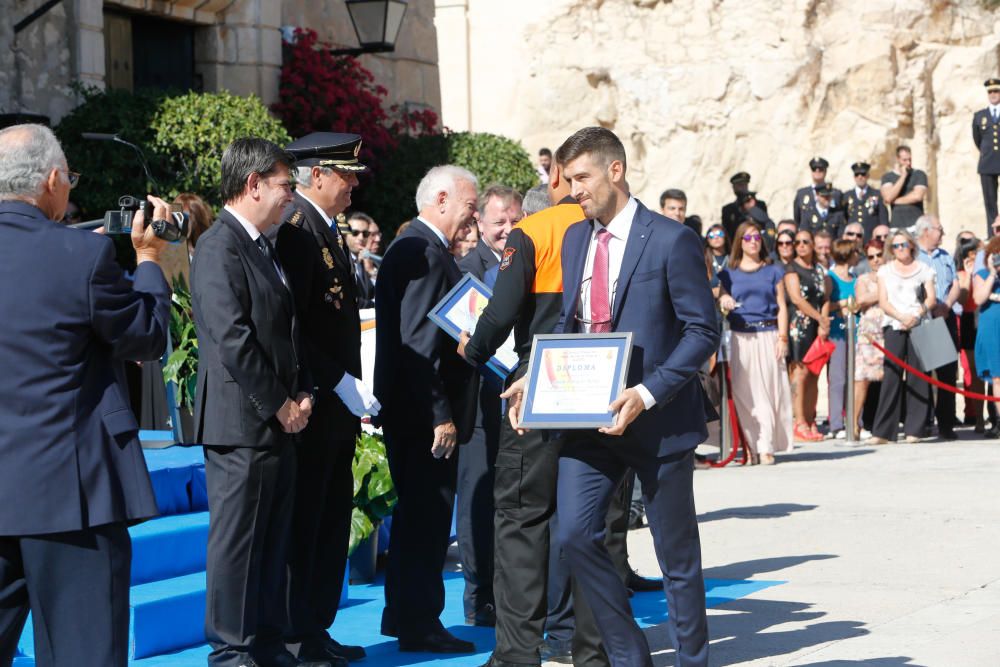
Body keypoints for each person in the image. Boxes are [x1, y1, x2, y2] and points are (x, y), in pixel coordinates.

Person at [504, 126, 718, 667]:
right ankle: (629, 655)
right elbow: (571, 325)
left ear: (615, 171)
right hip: (587, 416)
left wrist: (647, 394)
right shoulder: (577, 237)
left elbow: (702, 331)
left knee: (677, 556)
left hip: (657, 418)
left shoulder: (672, 239)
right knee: (575, 535)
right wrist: (539, 377)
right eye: (567, 180)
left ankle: (693, 660)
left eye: (582, 178)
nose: (573, 190)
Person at [0, 124, 171, 667]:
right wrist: (148, 259)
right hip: (71, 494)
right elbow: (145, 335)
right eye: (69, 177)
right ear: (53, 180)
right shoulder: (81, 255)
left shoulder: (77, 253)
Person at [458, 156, 613, 667]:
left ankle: (517, 652)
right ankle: (591, 649)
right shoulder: (616, 226)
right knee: (591, 523)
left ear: (555, 180)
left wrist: (473, 350)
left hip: (541, 385)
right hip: (602, 384)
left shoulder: (534, 230)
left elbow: (499, 313)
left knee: (521, 518)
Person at [190, 138, 322, 667]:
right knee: (239, 544)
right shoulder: (220, 246)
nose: (291, 196)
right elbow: (234, 339)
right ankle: (231, 649)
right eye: (286, 186)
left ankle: (265, 642)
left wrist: (305, 388)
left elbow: (288, 328)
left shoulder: (264, 245)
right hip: (242, 423)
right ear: (253, 185)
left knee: (271, 541)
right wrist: (281, 405)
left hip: (276, 419)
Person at [275, 132, 378, 665]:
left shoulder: (326, 230)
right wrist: (338, 380)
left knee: (333, 515)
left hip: (337, 406)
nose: (354, 184)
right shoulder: (297, 230)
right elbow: (295, 325)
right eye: (346, 174)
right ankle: (296, 633)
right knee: (308, 519)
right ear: (316, 174)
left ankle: (315, 627)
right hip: (316, 400)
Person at [373, 165, 478, 653]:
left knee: (419, 516)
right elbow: (417, 344)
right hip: (422, 416)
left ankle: (405, 615)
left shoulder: (417, 247)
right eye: (468, 206)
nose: (470, 218)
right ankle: (420, 623)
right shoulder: (423, 251)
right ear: (440, 199)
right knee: (427, 518)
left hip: (412, 409)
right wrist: (440, 413)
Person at [455, 184, 523, 629]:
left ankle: (510, 591)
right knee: (477, 501)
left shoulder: (524, 261)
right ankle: (478, 596)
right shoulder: (465, 269)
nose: (507, 230)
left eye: (515, 221)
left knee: (513, 500)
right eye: (499, 222)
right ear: (480, 222)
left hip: (516, 397)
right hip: (477, 403)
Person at [718, 221, 794, 464]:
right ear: (740, 242)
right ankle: (750, 445)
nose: (753, 242)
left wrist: (783, 337)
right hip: (740, 337)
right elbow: (721, 298)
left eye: (757, 237)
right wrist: (726, 299)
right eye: (748, 238)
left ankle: (766, 445)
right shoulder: (728, 273)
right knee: (744, 393)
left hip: (768, 334)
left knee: (768, 391)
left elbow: (782, 306)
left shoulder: (772, 270)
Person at [869, 230, 936, 444]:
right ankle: (884, 431)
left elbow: (931, 298)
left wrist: (916, 315)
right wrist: (900, 316)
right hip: (894, 323)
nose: (900, 249)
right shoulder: (885, 271)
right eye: (896, 246)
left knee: (918, 375)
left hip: (919, 323)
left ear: (912, 246)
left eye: (903, 245)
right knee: (891, 375)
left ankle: (915, 428)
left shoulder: (924, 269)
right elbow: (883, 301)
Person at [914, 215, 960, 440]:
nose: (942, 234)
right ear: (926, 231)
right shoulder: (914, 255)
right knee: (923, 373)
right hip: (924, 318)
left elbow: (955, 284)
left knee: (947, 373)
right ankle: (923, 422)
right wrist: (928, 309)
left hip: (945, 316)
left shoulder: (945, 256)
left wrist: (948, 305)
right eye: (939, 229)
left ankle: (946, 423)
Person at [785, 229, 831, 441]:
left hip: (816, 326)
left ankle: (811, 419)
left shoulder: (820, 271)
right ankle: (799, 420)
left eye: (805, 241)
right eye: (797, 242)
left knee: (814, 374)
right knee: (800, 373)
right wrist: (819, 318)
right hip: (799, 325)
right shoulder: (791, 269)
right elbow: (796, 299)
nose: (801, 245)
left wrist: (824, 320)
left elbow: (826, 297)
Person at [955, 236, 994, 434]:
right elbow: (963, 300)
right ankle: (979, 418)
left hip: (988, 318)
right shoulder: (963, 274)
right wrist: (969, 276)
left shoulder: (990, 268)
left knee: (994, 372)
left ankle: (993, 416)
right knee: (977, 372)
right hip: (972, 320)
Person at [853, 239, 886, 439]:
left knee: (889, 379)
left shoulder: (893, 276)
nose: (875, 260)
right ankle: (854, 422)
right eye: (871, 257)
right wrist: (883, 292)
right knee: (862, 378)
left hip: (889, 330)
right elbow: (861, 300)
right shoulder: (864, 278)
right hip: (870, 332)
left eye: (879, 255)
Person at [827, 240, 859, 439]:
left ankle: (856, 421)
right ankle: (836, 423)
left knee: (855, 377)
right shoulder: (830, 278)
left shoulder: (855, 278)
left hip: (855, 329)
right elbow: (826, 304)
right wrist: (843, 304)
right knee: (838, 377)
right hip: (837, 329)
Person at [973, 235, 1000, 437]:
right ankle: (998, 420)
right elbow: (979, 298)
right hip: (992, 327)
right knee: (998, 378)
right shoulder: (982, 274)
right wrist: (992, 273)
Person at [973, 78, 1000, 237]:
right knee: (990, 201)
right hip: (988, 163)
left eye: (996, 91)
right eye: (990, 92)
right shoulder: (980, 116)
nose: (993, 94)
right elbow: (978, 139)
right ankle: (992, 234)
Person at [881, 146, 928, 229]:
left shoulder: (919, 174)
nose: (908, 163)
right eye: (905, 160)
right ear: (898, 159)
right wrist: (903, 176)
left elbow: (917, 196)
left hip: (916, 224)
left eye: (910, 159)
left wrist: (895, 201)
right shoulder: (888, 177)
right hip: (897, 224)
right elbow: (888, 198)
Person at [843, 162, 889, 240]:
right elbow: (844, 219)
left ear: (868, 176)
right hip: (853, 239)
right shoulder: (847, 196)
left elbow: (883, 218)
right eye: (857, 175)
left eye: (863, 174)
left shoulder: (877, 194)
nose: (860, 177)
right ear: (854, 177)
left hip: (871, 238)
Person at [794, 157, 841, 226]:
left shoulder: (836, 194)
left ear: (825, 171)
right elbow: (797, 218)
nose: (817, 171)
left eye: (821, 169)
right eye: (814, 169)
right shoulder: (802, 194)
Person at [343, 211, 376, 307]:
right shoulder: (340, 261)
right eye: (355, 233)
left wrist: (371, 271)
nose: (361, 237)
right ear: (345, 235)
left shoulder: (367, 261)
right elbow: (352, 299)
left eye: (365, 233)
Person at [722, 171, 768, 239]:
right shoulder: (728, 209)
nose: (743, 188)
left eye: (744, 184)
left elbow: (764, 224)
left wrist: (753, 210)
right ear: (734, 188)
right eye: (739, 185)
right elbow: (728, 231)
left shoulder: (759, 205)